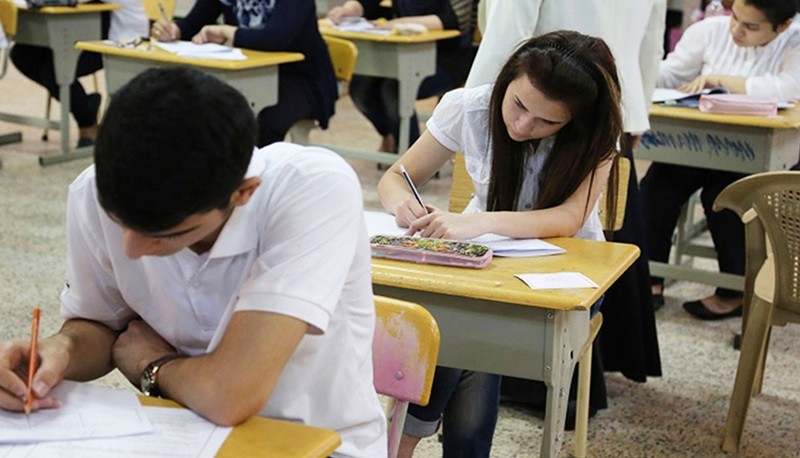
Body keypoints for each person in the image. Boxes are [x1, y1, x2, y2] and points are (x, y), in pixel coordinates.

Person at [0, 67, 386, 457]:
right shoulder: (96, 188)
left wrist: (151, 364)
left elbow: (229, 395)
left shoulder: (312, 189)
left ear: (243, 193)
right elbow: (102, 326)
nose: (131, 249)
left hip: (316, 445)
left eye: (165, 234)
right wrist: (59, 352)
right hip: (178, 433)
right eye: (120, 223)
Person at [377, 31, 623, 457]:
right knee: (455, 328)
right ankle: (433, 448)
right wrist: (404, 205)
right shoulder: (469, 106)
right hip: (484, 263)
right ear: (507, 80)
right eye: (518, 105)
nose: (523, 125)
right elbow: (397, 177)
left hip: (569, 274)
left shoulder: (597, 133)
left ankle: (402, 445)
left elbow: (569, 218)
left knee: (457, 336)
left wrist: (477, 223)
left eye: (547, 122)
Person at [464, 0, 665, 418]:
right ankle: (571, 386)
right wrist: (637, 111)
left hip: (542, 103)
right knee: (586, 248)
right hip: (601, 104)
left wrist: (481, 109)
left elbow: (508, 31)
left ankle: (532, 378)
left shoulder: (509, 110)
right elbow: (651, 39)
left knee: (571, 238)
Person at [642, 0, 800, 320]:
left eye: (750, 27)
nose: (736, 30)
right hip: (700, 143)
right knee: (656, 188)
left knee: (727, 198)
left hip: (758, 152)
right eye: (735, 18)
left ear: (782, 26)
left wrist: (719, 80)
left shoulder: (794, 41)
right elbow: (671, 74)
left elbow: (787, 89)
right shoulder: (709, 30)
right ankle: (649, 276)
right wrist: (641, 70)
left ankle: (734, 290)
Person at [152, 0, 336, 147]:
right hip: (249, 73)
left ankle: (258, 179)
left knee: (263, 121)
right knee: (201, 110)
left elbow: (274, 39)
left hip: (301, 78)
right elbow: (193, 23)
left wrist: (226, 31)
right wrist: (174, 30)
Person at [327, 0, 477, 155]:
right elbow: (368, 4)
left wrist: (400, 24)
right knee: (360, 87)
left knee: (394, 91)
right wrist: (348, 10)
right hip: (399, 54)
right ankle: (391, 135)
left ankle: (414, 156)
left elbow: (454, 21)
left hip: (447, 59)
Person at [10, 0, 147, 147]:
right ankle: (85, 106)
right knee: (22, 54)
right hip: (86, 28)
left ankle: (86, 123)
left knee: (54, 68)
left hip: (119, 42)